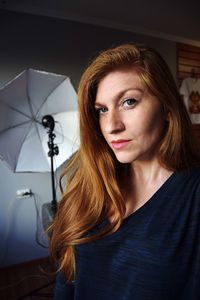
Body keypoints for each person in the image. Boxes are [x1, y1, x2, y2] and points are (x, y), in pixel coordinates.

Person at [49, 43, 200, 299]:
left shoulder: (193, 197)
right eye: (102, 110)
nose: (111, 126)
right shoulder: (87, 187)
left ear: (166, 106)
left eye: (128, 102)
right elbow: (67, 283)